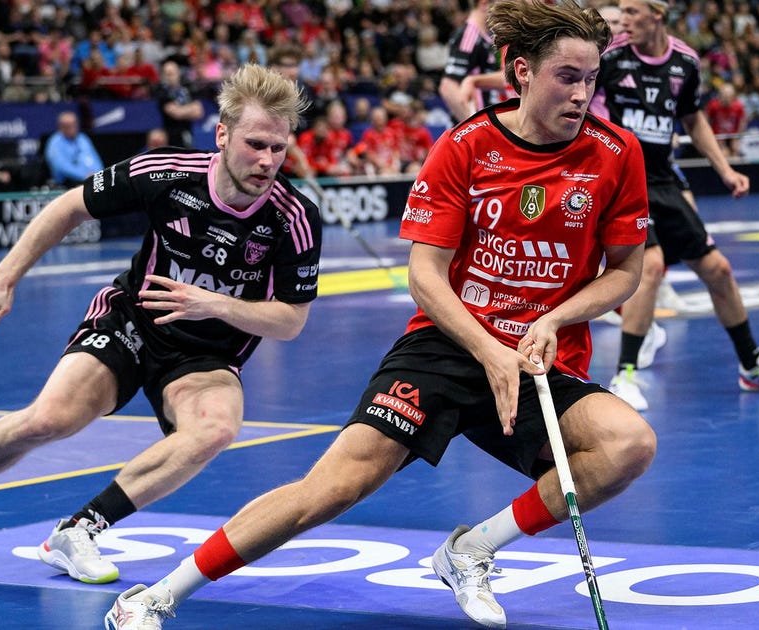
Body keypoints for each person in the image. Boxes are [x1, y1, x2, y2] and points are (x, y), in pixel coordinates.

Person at [104, 3, 656, 628]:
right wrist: (486, 349)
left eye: (591, 78)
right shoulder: (466, 146)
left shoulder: (616, 153)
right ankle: (155, 596)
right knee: (330, 490)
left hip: (535, 358)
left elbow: (624, 273)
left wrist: (554, 320)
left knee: (627, 445)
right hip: (448, 346)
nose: (582, 93)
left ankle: (472, 550)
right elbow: (425, 276)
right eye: (567, 76)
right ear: (523, 71)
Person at [0, 64, 322, 587]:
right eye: (255, 144)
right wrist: (5, 277)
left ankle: (78, 530)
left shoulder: (293, 218)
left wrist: (215, 305)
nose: (267, 160)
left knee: (216, 428)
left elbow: (291, 321)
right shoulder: (165, 173)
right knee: (49, 418)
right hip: (132, 321)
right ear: (222, 135)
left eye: (278, 148)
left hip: (207, 353)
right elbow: (69, 208)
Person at [592, 0, 759, 412]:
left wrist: (725, 170)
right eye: (622, 12)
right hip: (623, 180)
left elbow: (692, 119)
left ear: (657, 14)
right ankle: (625, 375)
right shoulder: (611, 56)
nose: (624, 20)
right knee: (650, 266)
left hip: (664, 180)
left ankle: (752, 366)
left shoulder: (685, 62)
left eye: (633, 12)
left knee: (718, 269)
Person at [437, 0, 509, 123]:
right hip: (479, 125)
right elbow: (447, 87)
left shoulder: (485, 37)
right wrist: (475, 125)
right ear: (484, 4)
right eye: (500, 5)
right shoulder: (469, 35)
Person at [44, 111, 104, 187]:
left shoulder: (82, 138)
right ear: (61, 127)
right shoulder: (55, 142)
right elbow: (61, 167)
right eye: (68, 126)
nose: (73, 128)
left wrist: (98, 175)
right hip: (67, 184)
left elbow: (94, 160)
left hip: (90, 181)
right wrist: (84, 176)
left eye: (74, 124)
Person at [155, 60, 204, 148]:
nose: (170, 77)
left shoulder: (188, 88)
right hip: (171, 135)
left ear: (178, 73)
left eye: (172, 73)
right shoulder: (162, 91)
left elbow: (199, 112)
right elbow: (175, 113)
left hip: (188, 132)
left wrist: (181, 110)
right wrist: (190, 109)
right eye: (167, 74)